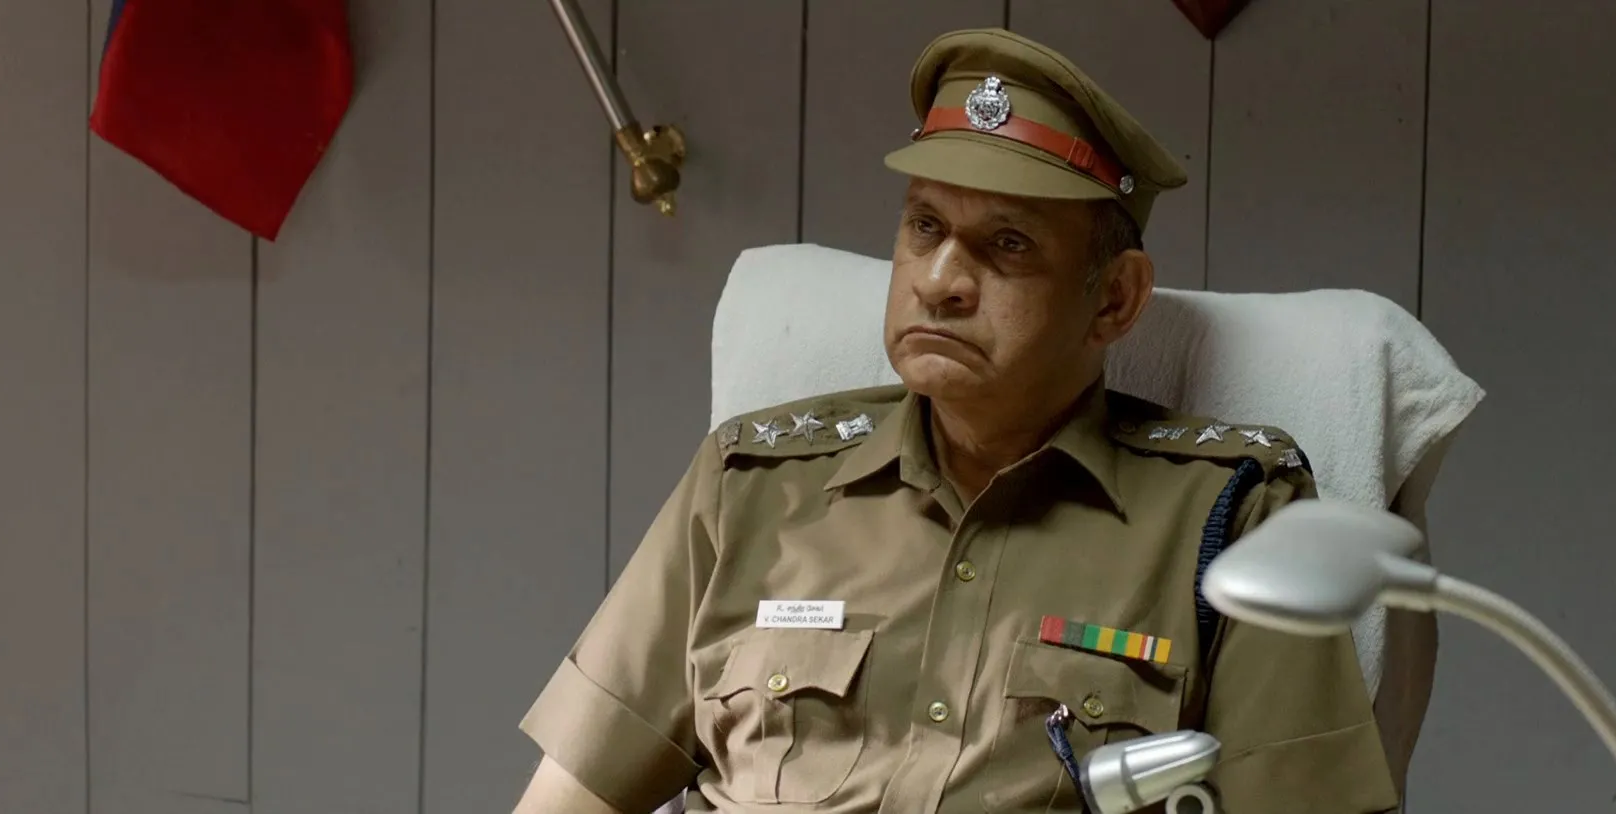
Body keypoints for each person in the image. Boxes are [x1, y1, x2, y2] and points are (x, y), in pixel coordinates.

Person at [512, 27, 1399, 814]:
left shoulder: (1232, 520)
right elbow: (572, 796)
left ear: (1115, 300)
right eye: (925, 227)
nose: (940, 281)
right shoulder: (750, 485)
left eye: (1008, 244)